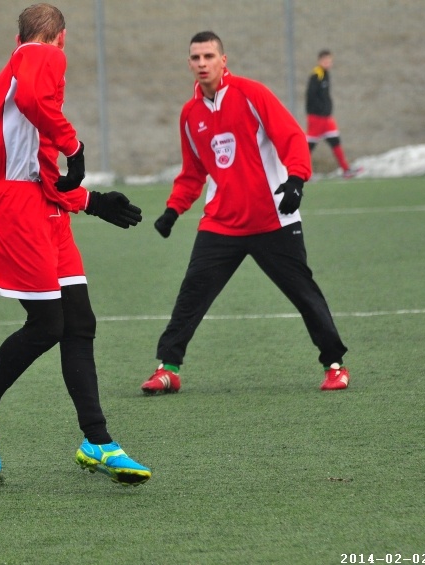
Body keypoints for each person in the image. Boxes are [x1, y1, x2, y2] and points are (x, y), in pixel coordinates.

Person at [0, 3, 150, 486]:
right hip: (21, 211)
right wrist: (74, 145)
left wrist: (91, 201)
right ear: (60, 38)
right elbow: (34, 111)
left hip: (42, 209)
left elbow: (30, 167)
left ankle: (97, 440)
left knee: (78, 322)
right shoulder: (41, 56)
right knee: (47, 324)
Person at [141, 31, 351, 396]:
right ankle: (168, 368)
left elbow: (291, 137)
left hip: (273, 219)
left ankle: (334, 365)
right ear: (189, 64)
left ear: (223, 60)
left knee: (304, 294)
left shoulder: (252, 94)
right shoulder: (190, 114)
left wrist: (296, 179)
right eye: (196, 58)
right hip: (221, 223)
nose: (202, 63)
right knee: (191, 295)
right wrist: (174, 209)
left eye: (209, 56)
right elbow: (193, 171)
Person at [305, 49, 361, 178]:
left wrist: (327, 110)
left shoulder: (326, 74)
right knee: (309, 146)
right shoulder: (316, 75)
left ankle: (346, 169)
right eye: (325, 61)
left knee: (335, 141)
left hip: (326, 118)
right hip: (317, 117)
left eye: (329, 61)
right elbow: (310, 96)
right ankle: (303, 172)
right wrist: (320, 110)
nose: (328, 63)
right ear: (319, 61)